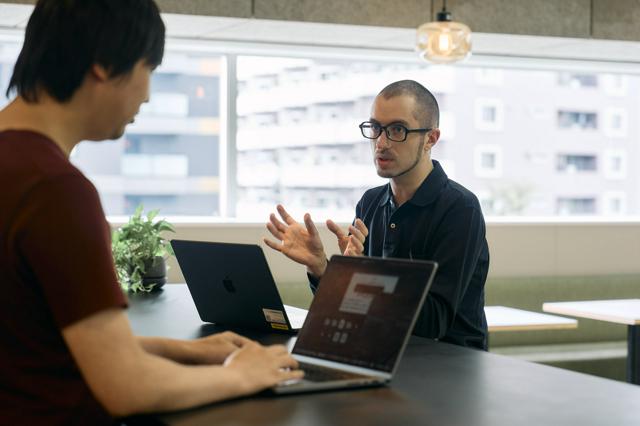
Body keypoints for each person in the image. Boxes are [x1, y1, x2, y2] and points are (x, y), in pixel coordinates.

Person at [0, 1, 301, 424]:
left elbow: (39, 341)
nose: (147, 93)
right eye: (149, 68)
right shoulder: (55, 189)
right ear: (103, 64)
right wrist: (244, 375)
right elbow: (127, 386)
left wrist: (187, 350)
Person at [265, 80, 490, 350]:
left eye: (397, 129)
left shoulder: (460, 208)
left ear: (431, 138)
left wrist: (361, 276)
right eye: (375, 128)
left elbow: (433, 322)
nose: (380, 143)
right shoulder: (370, 202)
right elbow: (348, 310)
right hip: (381, 352)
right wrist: (322, 268)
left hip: (451, 364)